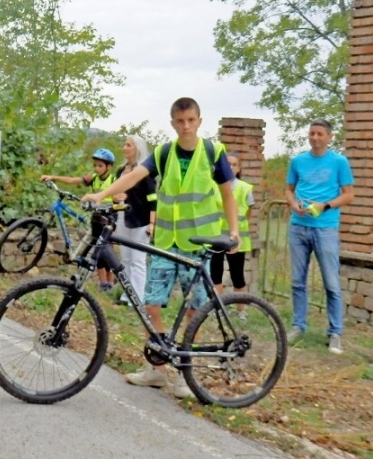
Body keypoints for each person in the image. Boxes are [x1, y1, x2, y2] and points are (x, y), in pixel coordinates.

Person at [83, 97, 240, 399]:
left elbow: (228, 196)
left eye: (191, 120)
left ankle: (184, 374)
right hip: (167, 242)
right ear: (172, 123)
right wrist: (102, 193)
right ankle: (156, 369)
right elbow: (132, 177)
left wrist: (235, 231)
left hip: (199, 243)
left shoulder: (212, 152)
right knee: (150, 305)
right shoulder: (164, 153)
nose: (186, 126)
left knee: (194, 311)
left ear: (199, 121)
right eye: (180, 121)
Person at [285, 119, 354, 354]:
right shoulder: (298, 161)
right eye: (312, 133)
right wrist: (294, 204)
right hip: (298, 226)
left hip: (325, 228)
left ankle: (335, 332)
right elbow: (288, 189)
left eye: (320, 134)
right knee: (297, 281)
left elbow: (348, 195)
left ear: (329, 137)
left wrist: (324, 205)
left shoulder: (339, 162)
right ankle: (298, 326)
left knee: (331, 283)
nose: (315, 138)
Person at [41, 148, 118, 292]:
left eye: (100, 166)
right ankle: (103, 283)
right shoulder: (93, 178)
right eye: (95, 165)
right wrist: (53, 177)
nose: (96, 168)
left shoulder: (113, 180)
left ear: (109, 167)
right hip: (96, 218)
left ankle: (109, 282)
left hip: (108, 218)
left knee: (106, 251)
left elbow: (119, 197)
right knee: (97, 249)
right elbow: (72, 180)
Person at [111, 136, 156, 306]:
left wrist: (152, 223)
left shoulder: (145, 171)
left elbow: (153, 198)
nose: (124, 148)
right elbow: (117, 194)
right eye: (124, 144)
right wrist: (116, 198)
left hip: (140, 220)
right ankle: (126, 295)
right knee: (126, 259)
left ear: (137, 148)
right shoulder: (120, 171)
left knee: (138, 260)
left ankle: (137, 298)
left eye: (128, 145)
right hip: (123, 217)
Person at [210, 153, 254, 320]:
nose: (230, 167)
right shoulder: (214, 186)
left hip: (236, 239)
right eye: (227, 164)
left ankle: (241, 310)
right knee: (215, 273)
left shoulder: (245, 188)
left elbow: (248, 212)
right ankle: (219, 308)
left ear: (239, 168)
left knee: (237, 275)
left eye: (234, 164)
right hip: (216, 236)